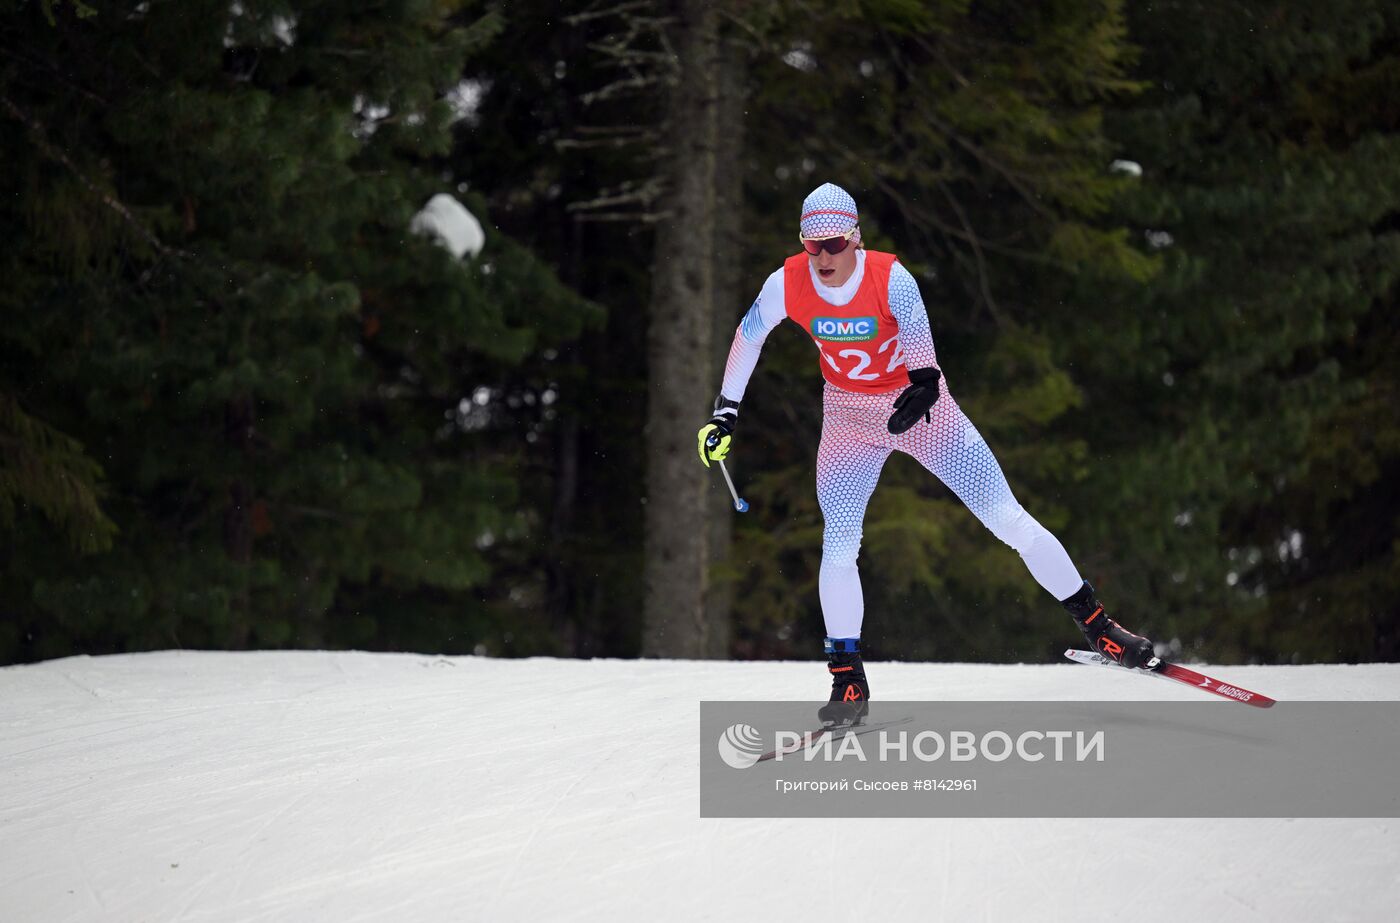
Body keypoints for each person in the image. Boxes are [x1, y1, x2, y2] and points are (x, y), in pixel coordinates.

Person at [697, 183, 1155, 727]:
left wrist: (922, 390)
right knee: (839, 544)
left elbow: (923, 362)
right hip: (848, 420)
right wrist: (725, 412)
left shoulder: (891, 278)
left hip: (922, 416)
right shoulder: (787, 282)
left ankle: (1100, 628)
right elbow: (748, 338)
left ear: (856, 238)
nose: (822, 257)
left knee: (1006, 519)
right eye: (811, 245)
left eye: (834, 243)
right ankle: (848, 681)